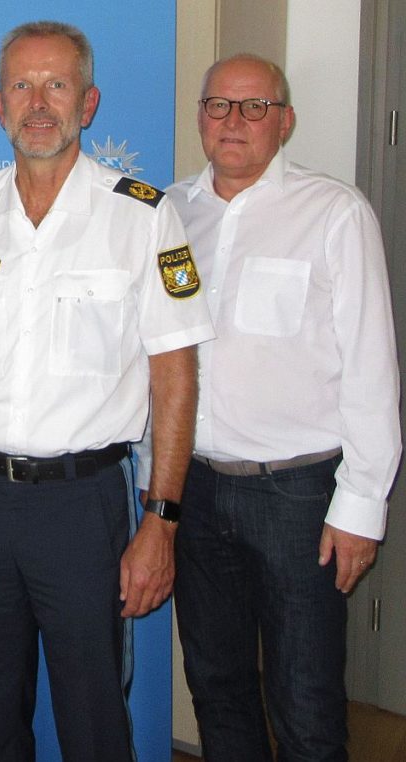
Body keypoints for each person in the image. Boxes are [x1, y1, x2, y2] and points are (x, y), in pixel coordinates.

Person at [0, 20, 215, 761]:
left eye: (58, 84)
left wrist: (162, 521)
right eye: (22, 85)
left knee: (93, 720)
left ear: (89, 102)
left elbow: (174, 376)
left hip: (83, 507)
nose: (39, 102)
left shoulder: (143, 216)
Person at [165, 54, 401, 761]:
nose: (233, 121)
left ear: (285, 121)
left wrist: (360, 508)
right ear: (200, 116)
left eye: (254, 107)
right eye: (218, 105)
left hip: (298, 496)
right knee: (217, 687)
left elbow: (371, 367)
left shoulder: (335, 213)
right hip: (195, 490)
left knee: (305, 701)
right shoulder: (168, 213)